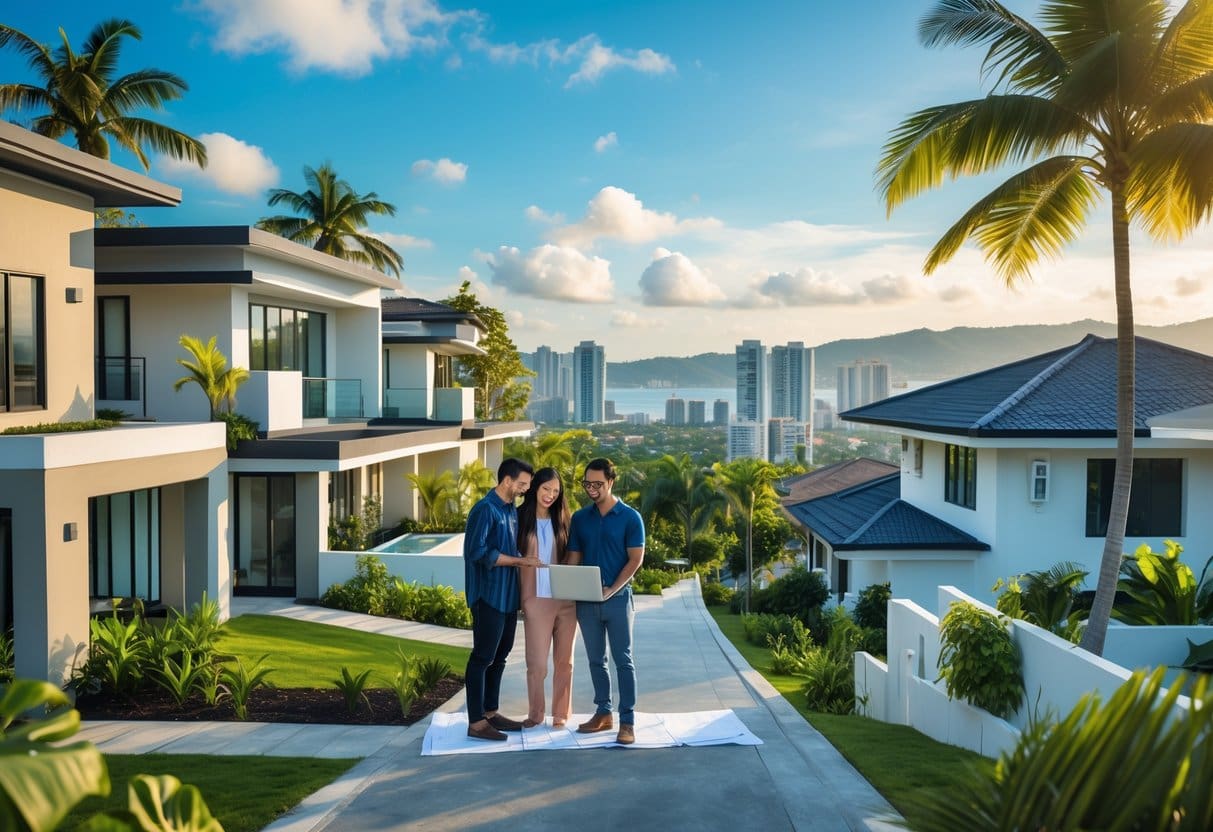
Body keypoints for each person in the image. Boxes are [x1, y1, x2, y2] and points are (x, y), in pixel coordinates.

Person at [567, 458, 645, 745]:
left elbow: (636, 560)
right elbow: (574, 558)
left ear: (612, 482)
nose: (591, 489)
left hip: (618, 599)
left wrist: (612, 589)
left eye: (598, 484)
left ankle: (627, 721)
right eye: (587, 483)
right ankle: (603, 713)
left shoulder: (630, 517)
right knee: (595, 660)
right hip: (586, 602)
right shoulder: (580, 519)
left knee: (623, 660)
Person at [462, 457, 538, 741]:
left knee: (501, 656)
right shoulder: (484, 510)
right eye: (522, 484)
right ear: (507, 480)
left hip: (508, 598)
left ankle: (491, 712)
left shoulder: (510, 510)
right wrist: (519, 562)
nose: (524, 490)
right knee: (482, 657)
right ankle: (476, 722)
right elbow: (477, 552)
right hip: (487, 596)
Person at [517, 467, 577, 729]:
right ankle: (536, 714)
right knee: (537, 664)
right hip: (535, 601)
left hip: (565, 600)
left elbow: (575, 555)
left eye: (555, 491)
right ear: (534, 488)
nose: (550, 495)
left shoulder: (564, 520)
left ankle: (561, 713)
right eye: (545, 489)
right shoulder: (518, 518)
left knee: (565, 661)